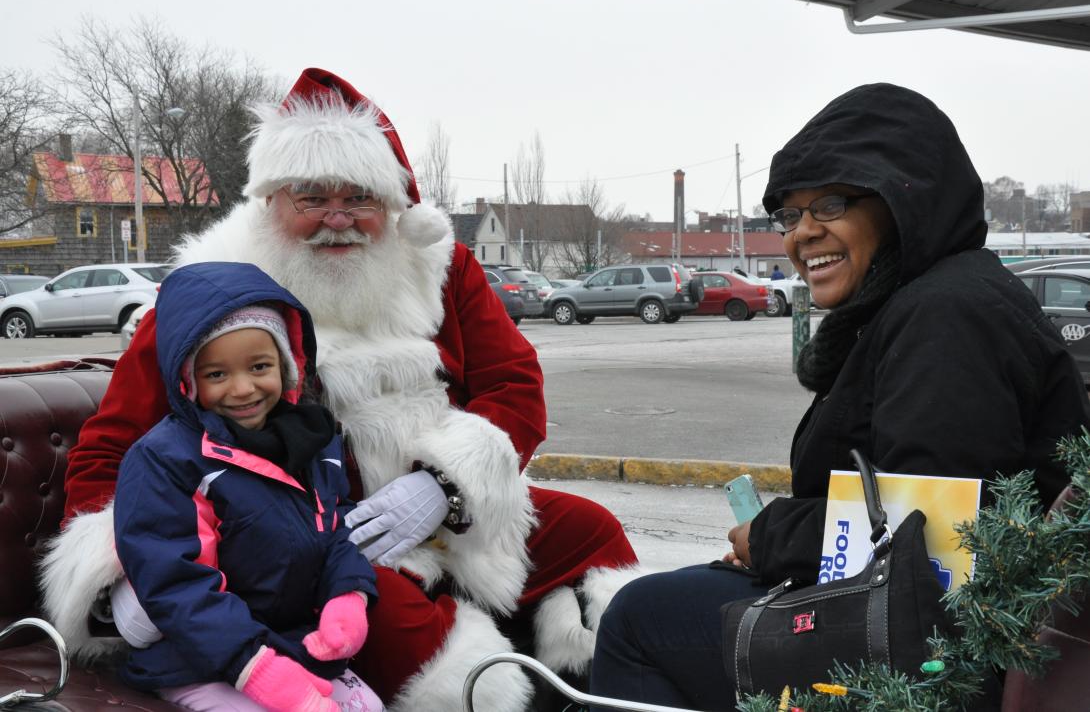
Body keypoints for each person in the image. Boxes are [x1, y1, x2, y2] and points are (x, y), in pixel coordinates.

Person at [41, 68, 642, 712]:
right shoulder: (212, 290)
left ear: (393, 202)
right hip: (311, 539)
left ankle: (607, 684)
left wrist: (443, 485)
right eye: (310, 199)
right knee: (418, 641)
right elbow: (114, 449)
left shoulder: (440, 266)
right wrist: (126, 572)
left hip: (444, 511)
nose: (337, 220)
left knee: (589, 529)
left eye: (359, 198)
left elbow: (513, 384)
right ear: (271, 202)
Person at [588, 82, 1090, 710]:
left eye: (828, 204)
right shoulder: (928, 303)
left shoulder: (948, 317)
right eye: (790, 216)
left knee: (640, 618)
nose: (802, 234)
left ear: (906, 200)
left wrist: (770, 536)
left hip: (946, 664)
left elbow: (934, 535)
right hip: (918, 623)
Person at [112, 261, 381, 712]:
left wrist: (348, 596)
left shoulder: (312, 438)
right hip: (197, 657)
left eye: (259, 366)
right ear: (188, 379)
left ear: (288, 365)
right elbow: (176, 583)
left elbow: (336, 525)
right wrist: (254, 667)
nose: (242, 389)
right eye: (216, 374)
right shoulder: (166, 460)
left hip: (293, 642)